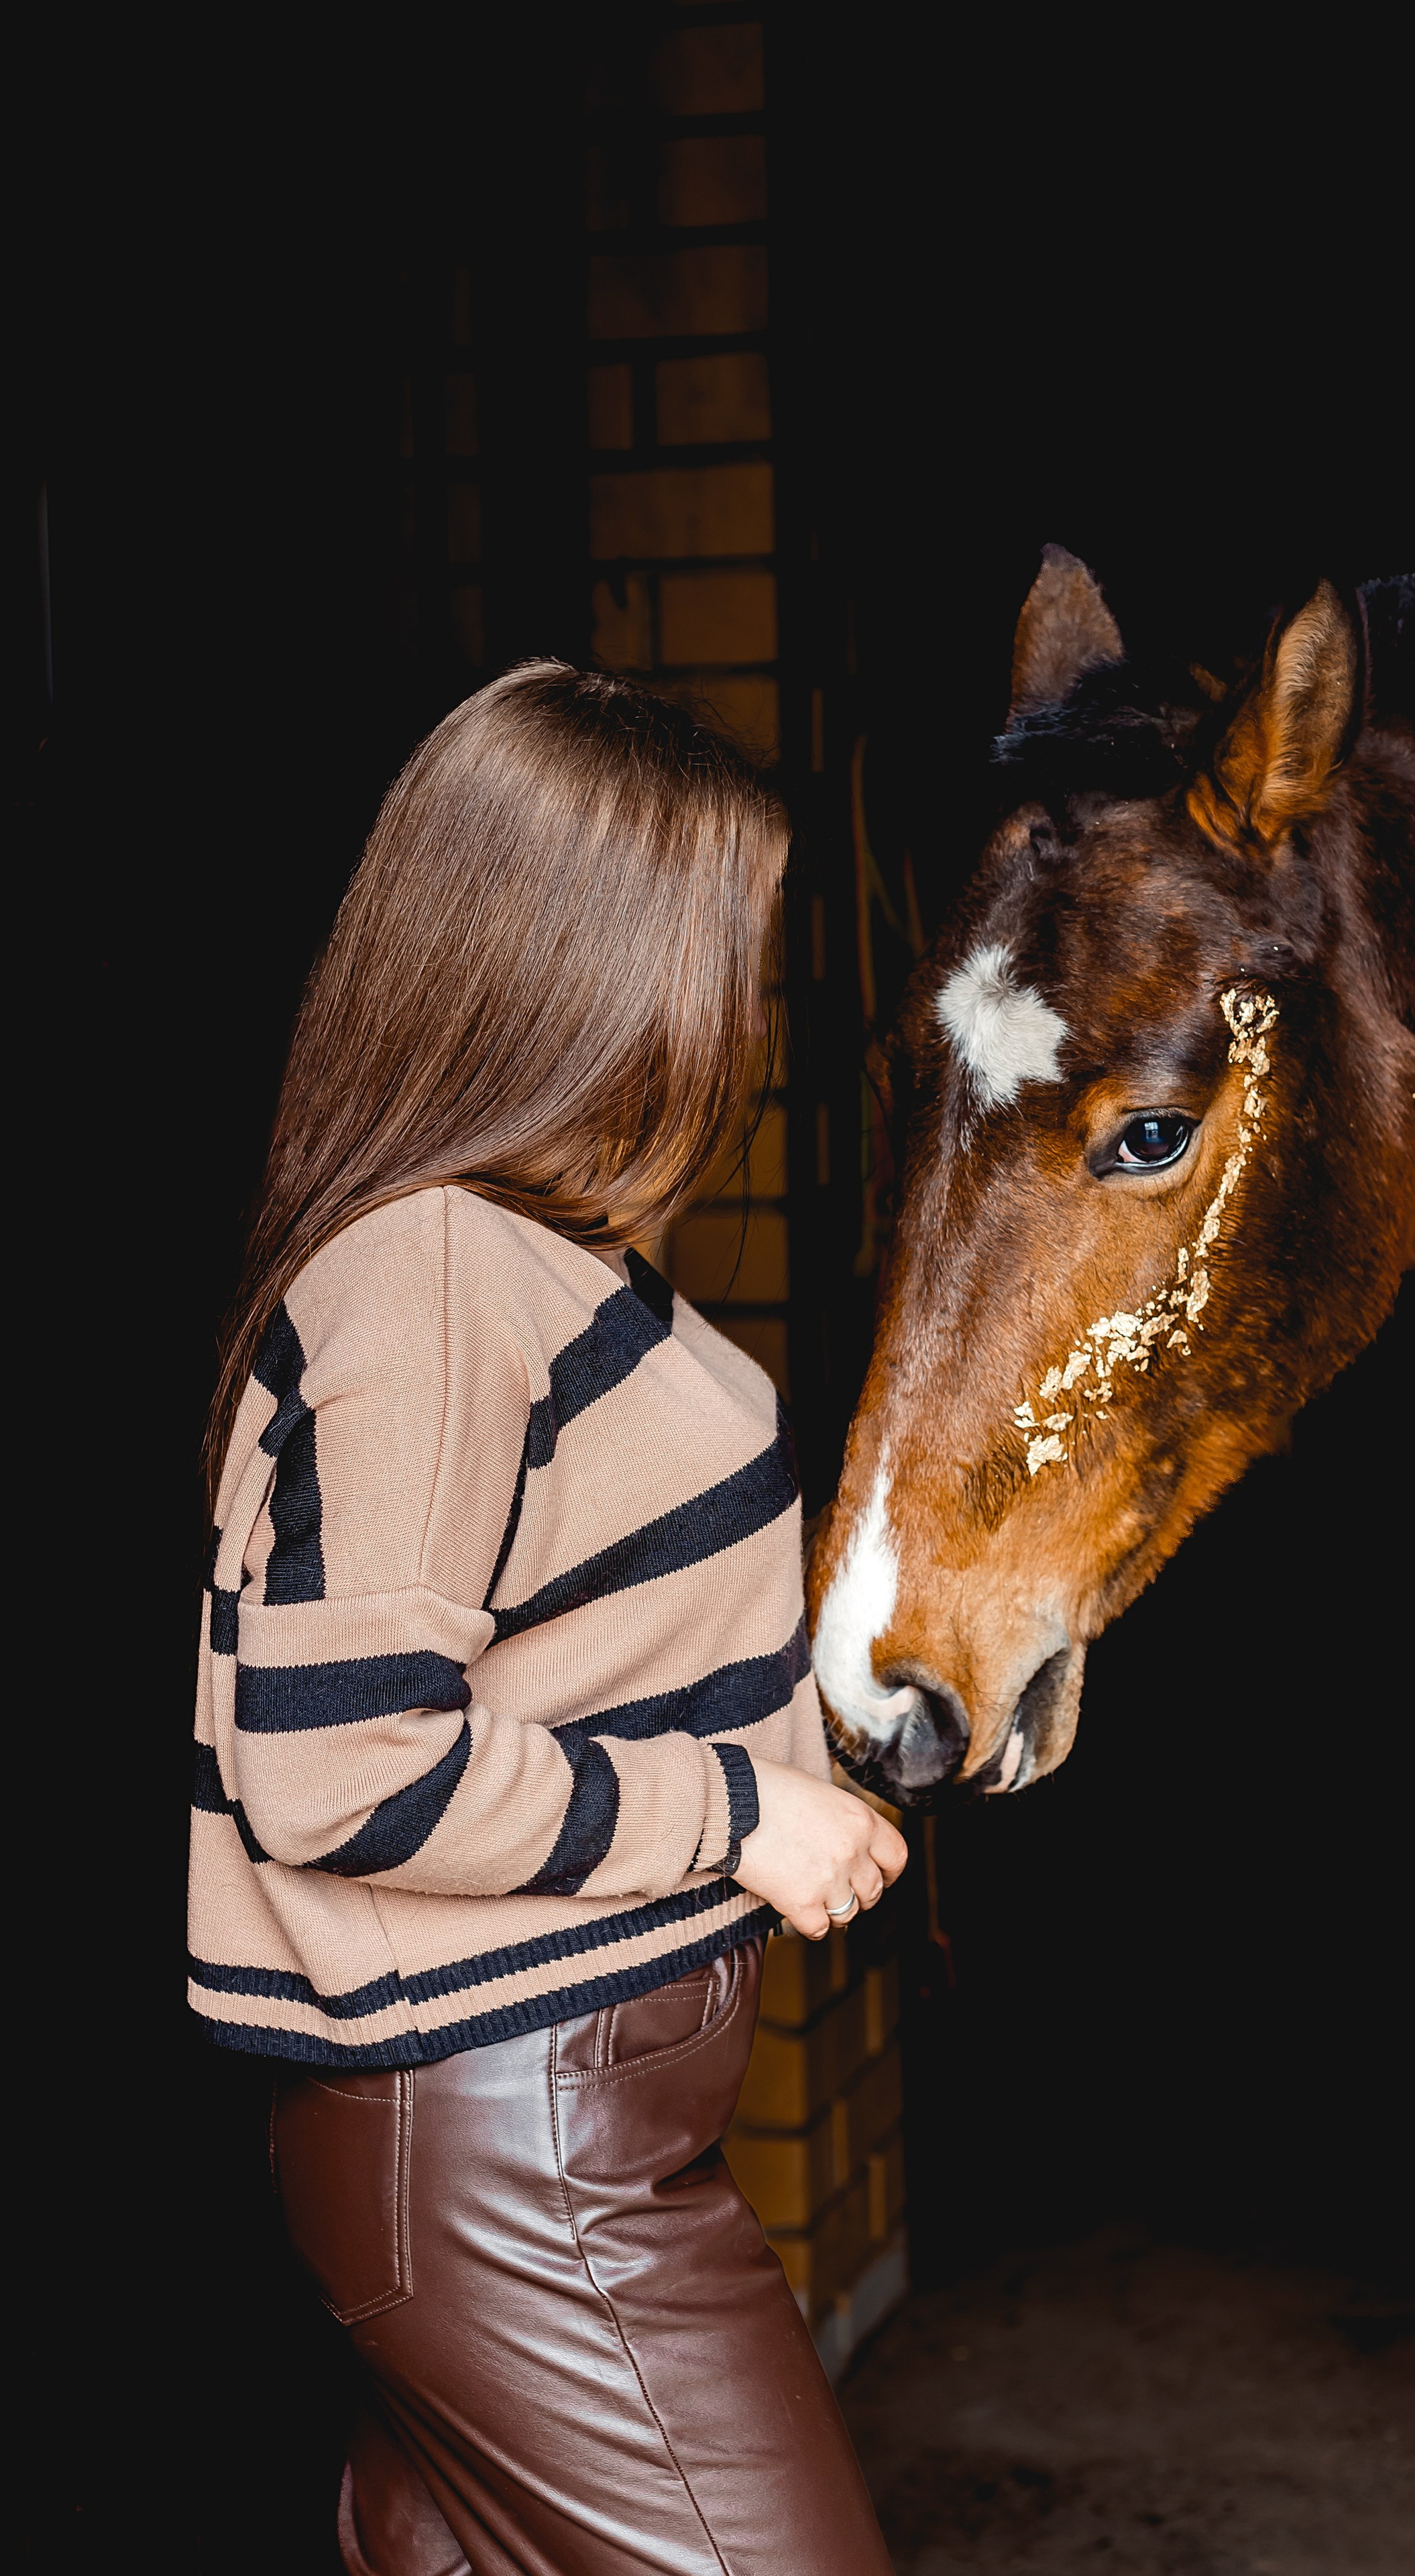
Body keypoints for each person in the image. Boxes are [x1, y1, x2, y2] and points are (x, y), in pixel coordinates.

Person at [190, 665, 905, 2575]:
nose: (751, 1019)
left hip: (542, 2136)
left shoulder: (519, 1259)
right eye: (730, 960)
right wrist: (740, 1814)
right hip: (519, 2163)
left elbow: (583, 1646)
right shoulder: (435, 1275)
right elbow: (336, 1764)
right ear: (592, 977)